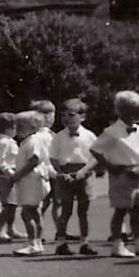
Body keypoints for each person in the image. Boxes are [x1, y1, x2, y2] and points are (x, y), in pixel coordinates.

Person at [90, 91, 139, 258]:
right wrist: (110, 167)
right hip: (121, 175)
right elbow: (95, 149)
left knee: (136, 210)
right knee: (121, 211)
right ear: (126, 111)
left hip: (138, 175)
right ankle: (117, 245)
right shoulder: (112, 132)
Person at [49, 98, 98, 256]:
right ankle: (61, 243)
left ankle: (85, 242)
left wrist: (84, 171)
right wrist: (61, 173)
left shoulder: (89, 136)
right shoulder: (58, 137)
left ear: (82, 117)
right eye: (62, 115)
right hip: (65, 174)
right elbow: (53, 158)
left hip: (84, 173)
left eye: (70, 115)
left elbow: (96, 157)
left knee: (84, 210)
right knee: (66, 210)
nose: (66, 119)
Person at [9, 111, 52, 256]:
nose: (18, 128)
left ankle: (33, 242)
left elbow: (34, 160)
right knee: (35, 211)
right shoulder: (28, 141)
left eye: (21, 125)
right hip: (34, 180)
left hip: (32, 180)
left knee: (27, 212)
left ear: (33, 127)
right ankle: (36, 242)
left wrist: (17, 175)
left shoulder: (33, 141)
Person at [30, 100, 60, 226]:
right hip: (46, 172)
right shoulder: (40, 135)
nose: (53, 117)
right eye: (51, 114)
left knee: (57, 201)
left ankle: (60, 229)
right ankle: (38, 228)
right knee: (44, 202)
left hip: (53, 171)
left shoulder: (51, 134)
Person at [0, 112, 20, 244]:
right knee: (7, 204)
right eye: (14, 127)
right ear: (7, 128)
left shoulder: (10, 141)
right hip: (5, 176)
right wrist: (9, 173)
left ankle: (11, 228)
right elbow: (0, 160)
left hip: (13, 174)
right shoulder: (3, 142)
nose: (16, 130)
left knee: (13, 204)